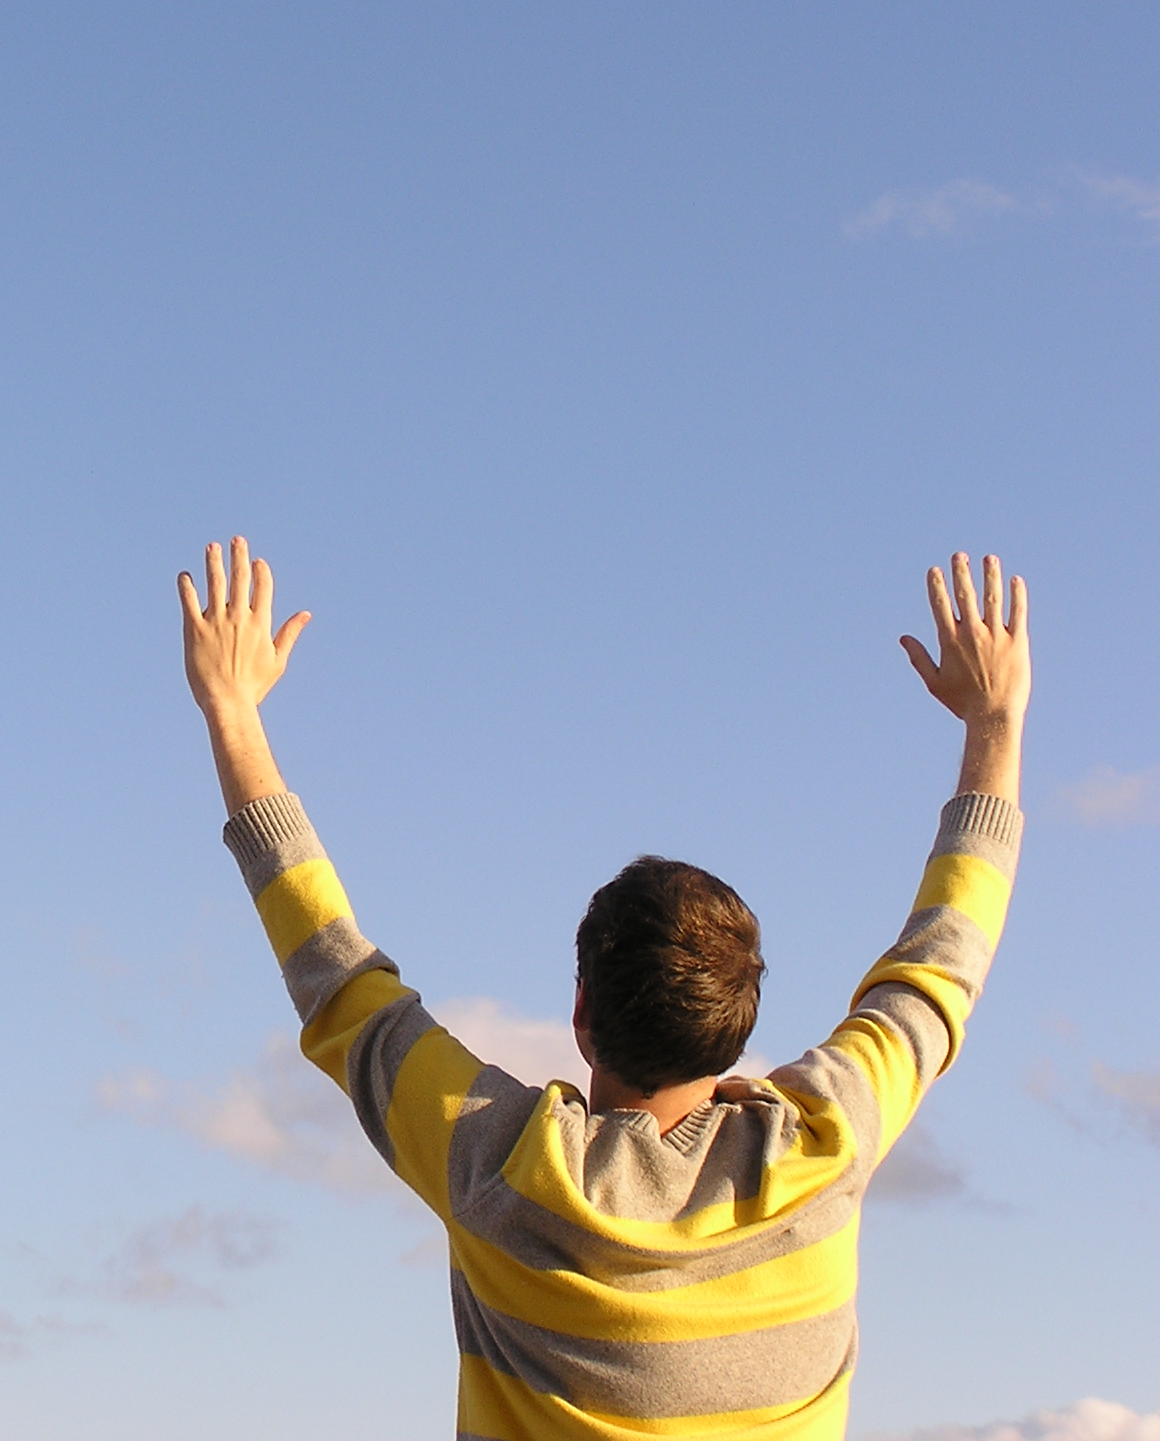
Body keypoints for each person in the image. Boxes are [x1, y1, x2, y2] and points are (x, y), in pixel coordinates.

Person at [177, 538, 1029, 1441]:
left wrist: (232, 713)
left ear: (582, 1017)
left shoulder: (500, 1165)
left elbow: (339, 981)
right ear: (737, 1026)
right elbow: (943, 963)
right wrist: (998, 724)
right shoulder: (825, 1147)